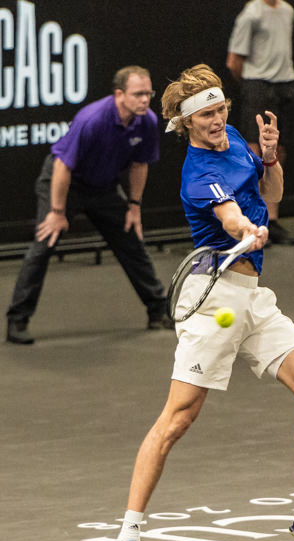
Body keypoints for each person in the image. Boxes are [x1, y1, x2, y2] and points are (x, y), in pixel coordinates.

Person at [108, 64, 294, 541]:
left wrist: (268, 157)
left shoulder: (237, 139)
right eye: (207, 115)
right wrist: (247, 231)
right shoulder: (198, 173)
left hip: (252, 299)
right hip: (213, 302)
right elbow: (232, 219)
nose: (218, 120)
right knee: (177, 420)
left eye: (221, 109)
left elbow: (273, 196)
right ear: (187, 123)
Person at [6, 66, 172, 345]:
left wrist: (134, 206)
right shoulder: (92, 120)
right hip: (65, 184)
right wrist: (57, 212)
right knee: (44, 244)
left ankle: (158, 311)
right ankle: (17, 319)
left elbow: (139, 164)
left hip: (104, 188)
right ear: (119, 95)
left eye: (148, 93)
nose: (145, 99)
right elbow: (62, 167)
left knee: (131, 240)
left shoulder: (147, 122)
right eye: (138, 94)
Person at [226, 0, 294, 246]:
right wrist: (253, 87)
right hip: (257, 85)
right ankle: (253, 220)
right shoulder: (251, 14)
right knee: (255, 153)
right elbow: (233, 62)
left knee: (277, 151)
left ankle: (271, 221)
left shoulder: (288, 11)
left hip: (285, 86)